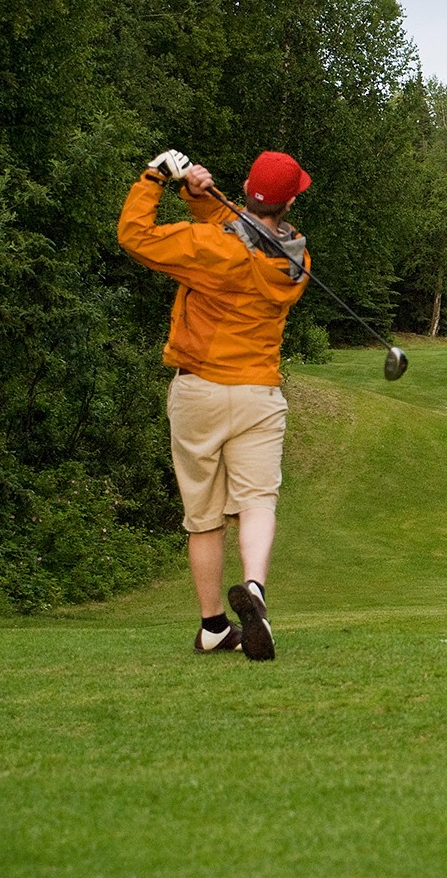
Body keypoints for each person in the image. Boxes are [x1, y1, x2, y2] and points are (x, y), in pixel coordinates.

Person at [117, 149, 313, 660]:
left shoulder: (206, 247)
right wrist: (198, 193)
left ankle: (212, 627)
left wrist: (156, 178)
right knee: (257, 500)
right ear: (290, 199)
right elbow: (243, 232)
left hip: (199, 392)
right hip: (258, 395)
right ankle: (255, 589)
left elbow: (134, 235)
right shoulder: (295, 259)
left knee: (203, 517)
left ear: (247, 183)